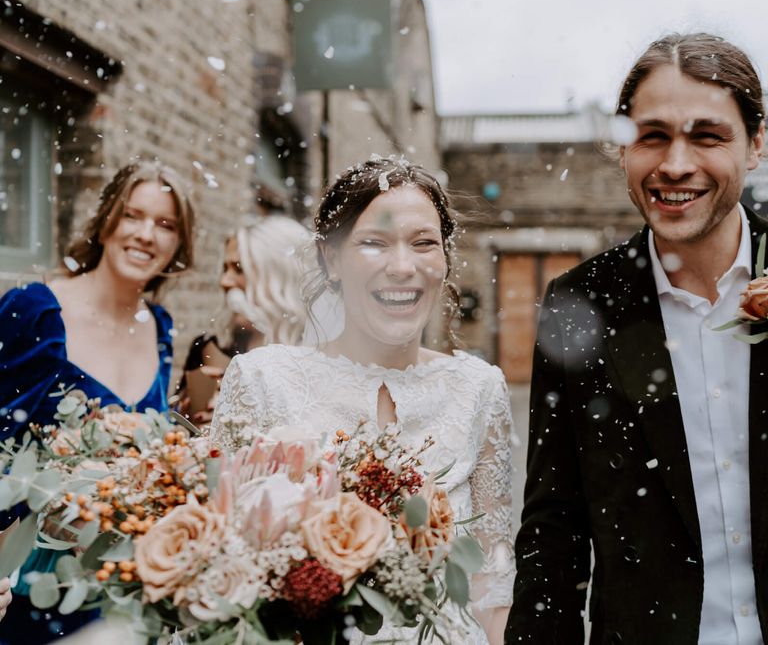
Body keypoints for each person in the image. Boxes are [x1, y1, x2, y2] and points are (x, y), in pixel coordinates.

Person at [505, 33, 768, 644]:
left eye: (707, 136)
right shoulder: (578, 307)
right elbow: (554, 527)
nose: (675, 164)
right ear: (621, 150)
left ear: (756, 144)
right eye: (653, 136)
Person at [210, 156, 516, 644]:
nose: (403, 267)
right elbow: (220, 561)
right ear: (331, 259)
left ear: (444, 260)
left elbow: (492, 572)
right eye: (373, 243)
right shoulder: (261, 380)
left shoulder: (480, 388)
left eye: (423, 244)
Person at [0, 160, 195, 644]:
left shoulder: (161, 326)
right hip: (30, 586)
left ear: (179, 243)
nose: (146, 234)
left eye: (165, 224)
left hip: (126, 591)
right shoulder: (35, 310)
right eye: (133, 215)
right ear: (106, 220)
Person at [175, 215, 312, 425]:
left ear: (279, 277)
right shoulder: (208, 349)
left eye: (239, 269)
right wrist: (186, 418)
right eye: (225, 269)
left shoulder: (317, 360)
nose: (225, 281)